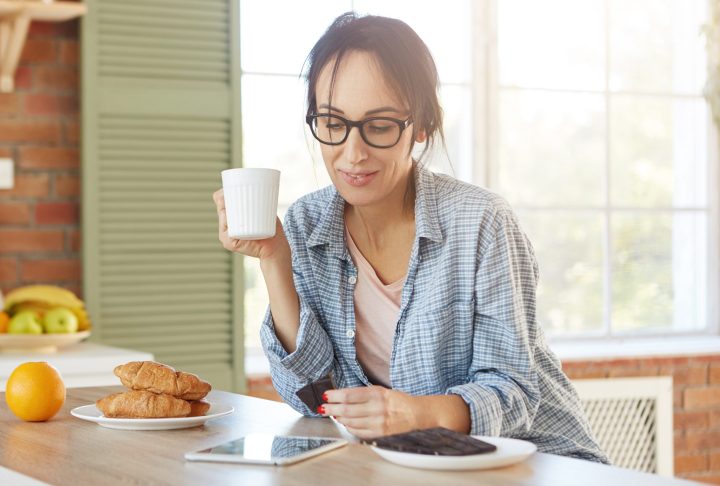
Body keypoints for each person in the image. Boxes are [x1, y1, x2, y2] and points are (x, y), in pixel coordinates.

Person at [213, 12, 608, 463]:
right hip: (419, 465)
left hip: (538, 461)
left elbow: (514, 393)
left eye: (378, 126)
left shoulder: (481, 223)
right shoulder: (306, 225)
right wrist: (274, 260)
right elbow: (312, 398)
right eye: (332, 123)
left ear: (419, 126)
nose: (353, 153)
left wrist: (413, 413)